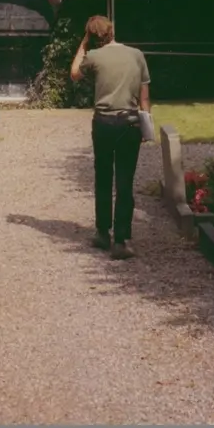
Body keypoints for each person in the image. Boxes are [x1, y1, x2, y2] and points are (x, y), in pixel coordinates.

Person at [70, 14, 151, 260]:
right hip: (129, 122)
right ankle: (122, 240)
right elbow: (144, 96)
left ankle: (102, 232)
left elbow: (74, 73)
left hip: (103, 122)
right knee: (125, 181)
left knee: (103, 177)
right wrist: (146, 122)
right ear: (112, 31)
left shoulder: (93, 57)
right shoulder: (136, 54)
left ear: (93, 37)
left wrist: (83, 45)